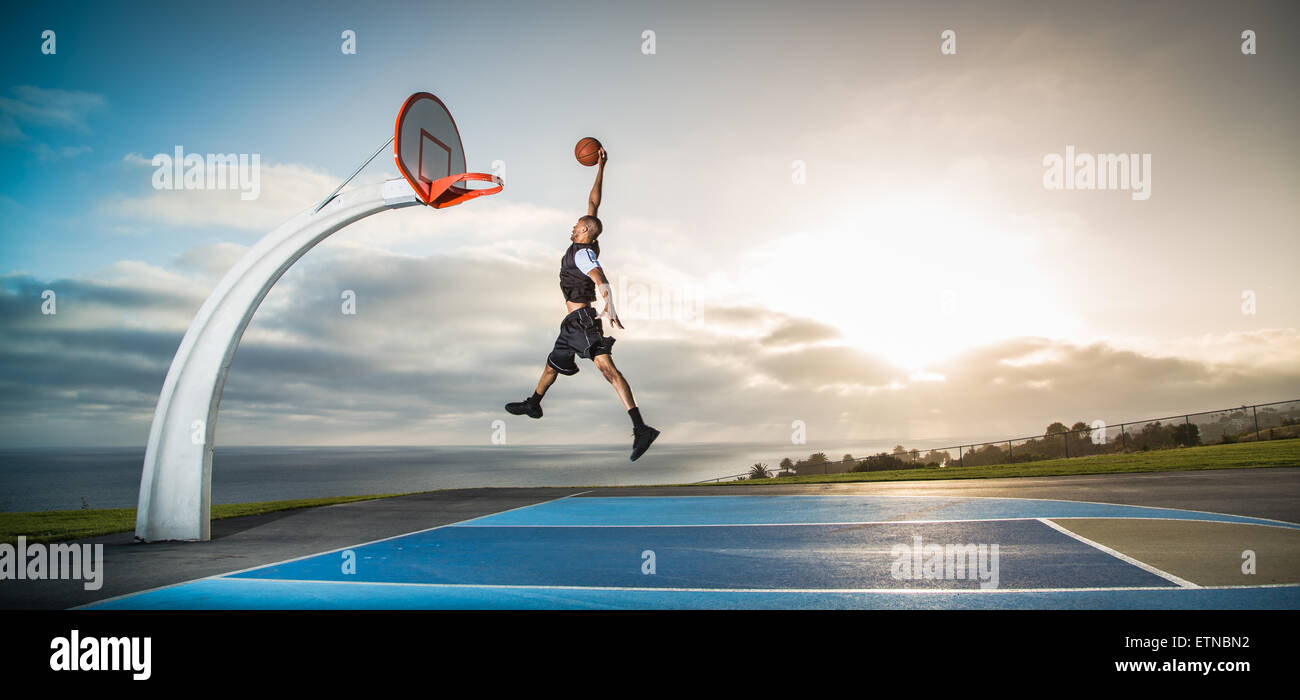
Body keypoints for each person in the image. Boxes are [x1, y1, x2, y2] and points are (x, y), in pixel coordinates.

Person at [504, 147, 660, 461]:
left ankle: (641, 427)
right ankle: (534, 404)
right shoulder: (586, 239)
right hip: (571, 325)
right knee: (552, 365)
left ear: (585, 231)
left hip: (584, 322)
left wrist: (610, 301)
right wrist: (600, 166)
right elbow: (593, 203)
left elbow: (600, 277)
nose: (573, 226)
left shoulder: (583, 253)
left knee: (607, 370)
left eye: (577, 224)